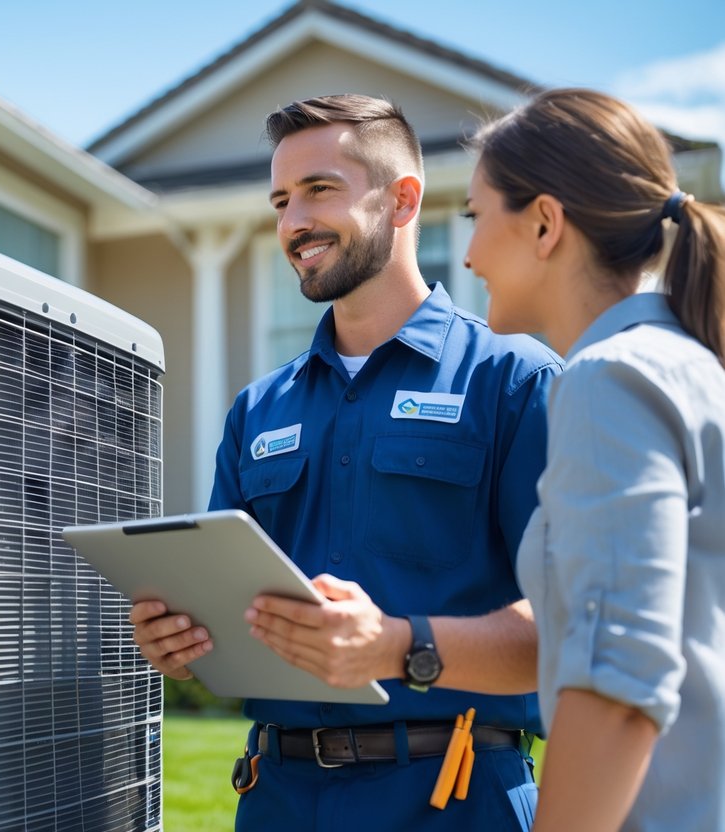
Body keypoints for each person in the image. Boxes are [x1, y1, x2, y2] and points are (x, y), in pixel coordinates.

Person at [131, 94, 562, 830]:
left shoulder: (513, 381)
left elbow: (564, 630)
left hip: (453, 797)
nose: (292, 222)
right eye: (279, 201)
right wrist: (181, 640)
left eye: (319, 190)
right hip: (276, 797)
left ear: (402, 201)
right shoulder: (256, 411)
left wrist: (401, 649)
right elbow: (228, 611)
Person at [464, 88, 725, 831]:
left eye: (476, 217)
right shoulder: (688, 367)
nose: (471, 253)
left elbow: (613, 692)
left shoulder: (604, 381)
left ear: (544, 223)